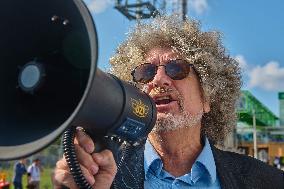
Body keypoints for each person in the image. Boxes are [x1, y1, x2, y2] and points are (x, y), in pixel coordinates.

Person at [53, 15, 284, 188]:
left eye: (177, 69)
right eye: (146, 72)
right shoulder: (100, 176)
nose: (158, 79)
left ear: (208, 98)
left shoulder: (267, 180)